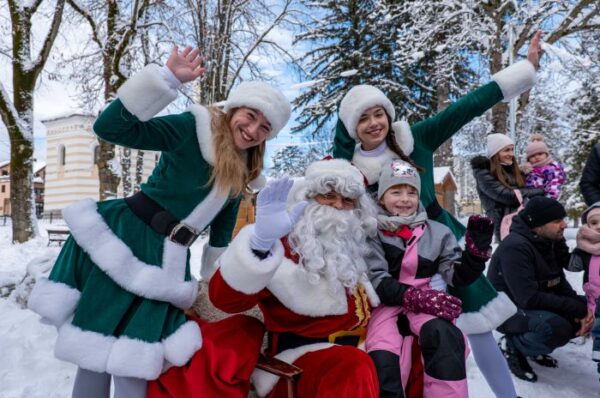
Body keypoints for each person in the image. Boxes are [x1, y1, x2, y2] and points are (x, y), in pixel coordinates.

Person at [27, 45, 291, 398]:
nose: (253, 129)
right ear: (233, 108)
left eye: (265, 127)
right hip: (125, 238)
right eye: (251, 115)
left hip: (168, 259)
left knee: (139, 357)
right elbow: (110, 128)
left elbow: (220, 238)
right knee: (93, 347)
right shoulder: (191, 127)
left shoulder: (243, 172)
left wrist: (217, 286)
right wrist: (166, 79)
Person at [332, 30, 545, 398]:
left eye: (378, 113)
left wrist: (524, 69)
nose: (373, 123)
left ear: (388, 114)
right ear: (352, 127)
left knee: (478, 329)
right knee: (386, 342)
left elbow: (466, 107)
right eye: (361, 118)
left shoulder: (417, 139)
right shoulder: (349, 170)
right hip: (387, 262)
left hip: (443, 247)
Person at [209, 159, 383, 398]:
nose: (337, 206)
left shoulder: (355, 248)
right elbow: (224, 299)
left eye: (347, 200)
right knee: (351, 365)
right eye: (328, 195)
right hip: (299, 363)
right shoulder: (283, 246)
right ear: (309, 198)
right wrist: (260, 245)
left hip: (365, 350)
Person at [365, 160, 494, 397]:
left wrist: (474, 257)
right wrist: (412, 297)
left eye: (411, 192)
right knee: (383, 355)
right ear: (381, 198)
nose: (405, 198)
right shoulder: (373, 232)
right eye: (396, 191)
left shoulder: (437, 232)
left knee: (444, 336)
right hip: (389, 305)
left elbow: (456, 276)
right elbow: (377, 278)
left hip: (427, 301)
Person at [488, 196, 592, 382]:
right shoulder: (516, 247)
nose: (564, 225)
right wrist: (575, 308)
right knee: (555, 329)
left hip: (528, 305)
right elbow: (527, 297)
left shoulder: (546, 241)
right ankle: (512, 345)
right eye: (557, 221)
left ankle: (532, 348)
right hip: (506, 310)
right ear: (537, 224)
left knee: (590, 310)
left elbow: (558, 283)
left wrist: (583, 309)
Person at [472, 133, 544, 241]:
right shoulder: (483, 173)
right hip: (505, 226)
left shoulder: (512, 171)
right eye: (506, 150)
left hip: (524, 223)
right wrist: (539, 191)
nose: (511, 153)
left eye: (511, 149)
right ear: (495, 153)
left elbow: (521, 192)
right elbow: (507, 196)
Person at [568, 201, 600, 380]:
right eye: (593, 223)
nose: (598, 226)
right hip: (594, 304)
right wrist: (580, 249)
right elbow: (573, 267)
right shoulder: (586, 249)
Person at [522, 134, 566, 200]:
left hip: (545, 200)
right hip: (529, 200)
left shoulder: (552, 169)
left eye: (540, 154)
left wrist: (550, 199)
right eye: (533, 156)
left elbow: (555, 184)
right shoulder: (528, 170)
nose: (537, 157)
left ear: (546, 154)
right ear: (528, 159)